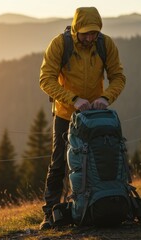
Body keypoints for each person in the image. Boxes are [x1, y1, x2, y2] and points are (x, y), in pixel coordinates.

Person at [38, 6, 127, 230]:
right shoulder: (60, 44)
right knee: (58, 163)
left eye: (94, 33)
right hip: (66, 115)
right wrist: (73, 99)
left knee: (99, 161)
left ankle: (97, 206)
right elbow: (45, 79)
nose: (90, 38)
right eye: (86, 33)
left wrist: (106, 98)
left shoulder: (105, 44)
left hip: (96, 117)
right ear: (76, 29)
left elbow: (118, 77)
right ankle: (50, 214)